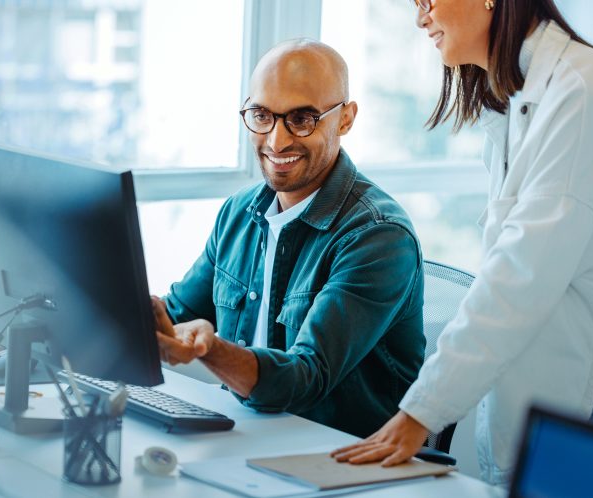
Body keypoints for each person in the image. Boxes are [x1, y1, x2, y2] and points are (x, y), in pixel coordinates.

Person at [332, 0, 593, 485]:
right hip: (562, 381)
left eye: (427, 0)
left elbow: (519, 274)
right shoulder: (519, 100)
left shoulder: (583, 91)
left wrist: (421, 412)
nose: (419, 17)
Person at [152, 39, 426, 438]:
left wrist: (210, 349)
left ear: (345, 119)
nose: (277, 141)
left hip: (338, 461)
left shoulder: (378, 236)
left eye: (301, 119)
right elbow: (175, 316)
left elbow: (305, 379)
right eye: (262, 115)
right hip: (247, 441)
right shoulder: (239, 213)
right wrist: (131, 312)